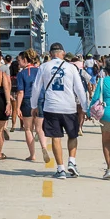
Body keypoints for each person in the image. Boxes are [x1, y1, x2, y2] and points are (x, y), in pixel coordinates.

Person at [31, 42, 88, 179]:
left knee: (56, 137)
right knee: (73, 135)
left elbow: (36, 88)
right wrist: (85, 107)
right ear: (63, 53)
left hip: (51, 107)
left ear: (50, 54)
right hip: (69, 107)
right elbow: (79, 89)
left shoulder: (44, 67)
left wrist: (33, 106)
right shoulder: (71, 67)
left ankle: (60, 169)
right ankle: (72, 161)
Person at [16, 50, 50, 163]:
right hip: (40, 99)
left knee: (28, 129)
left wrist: (17, 107)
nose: (18, 63)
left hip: (27, 101)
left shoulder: (21, 74)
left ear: (25, 60)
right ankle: (44, 147)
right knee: (40, 128)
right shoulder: (40, 70)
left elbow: (20, 92)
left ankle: (32, 155)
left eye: (19, 60)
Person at [9, 58, 20, 132]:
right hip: (19, 93)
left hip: (11, 93)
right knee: (20, 109)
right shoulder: (19, 75)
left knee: (14, 110)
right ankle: (22, 125)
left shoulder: (9, 76)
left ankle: (13, 125)